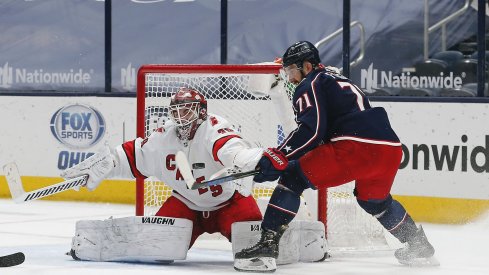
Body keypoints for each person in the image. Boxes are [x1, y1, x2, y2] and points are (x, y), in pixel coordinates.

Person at [234, 41, 438, 272]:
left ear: (307, 66)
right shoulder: (335, 78)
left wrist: (280, 155)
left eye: (292, 70)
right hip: (389, 149)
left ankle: (266, 246)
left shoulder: (309, 83)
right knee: (375, 201)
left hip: (355, 148)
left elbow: (312, 129)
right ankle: (418, 244)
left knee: (292, 177)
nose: (290, 78)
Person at [64, 87, 264, 262]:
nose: (180, 118)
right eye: (176, 111)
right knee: (156, 249)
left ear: (201, 112)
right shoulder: (164, 137)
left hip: (229, 203)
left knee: (254, 246)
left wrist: (246, 159)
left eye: (186, 111)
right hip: (186, 204)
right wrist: (107, 164)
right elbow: (134, 157)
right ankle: (95, 241)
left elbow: (231, 149)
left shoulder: (214, 129)